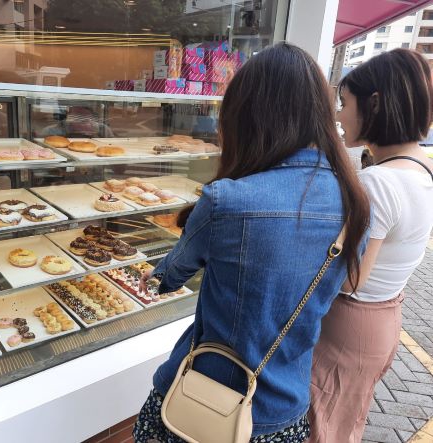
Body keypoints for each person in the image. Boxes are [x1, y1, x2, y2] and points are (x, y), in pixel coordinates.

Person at [132, 42, 370, 443]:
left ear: (247, 117)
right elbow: (341, 287)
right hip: (285, 409)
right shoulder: (355, 203)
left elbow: (170, 277)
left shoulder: (228, 200)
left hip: (204, 402)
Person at [309, 48, 433, 443]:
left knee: (320, 424)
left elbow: (351, 281)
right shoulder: (421, 167)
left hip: (349, 325)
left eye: (345, 104)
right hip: (385, 316)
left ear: (375, 104)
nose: (340, 116)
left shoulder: (379, 184)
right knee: (345, 421)